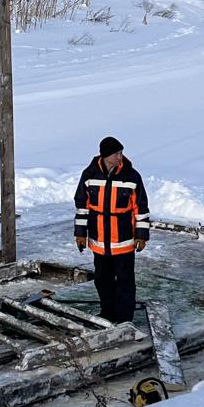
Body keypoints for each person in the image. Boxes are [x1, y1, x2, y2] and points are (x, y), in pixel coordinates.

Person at [72, 136, 150, 324]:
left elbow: (141, 208)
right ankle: (107, 313)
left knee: (125, 281)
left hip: (123, 242)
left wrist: (141, 235)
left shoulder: (132, 176)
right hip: (99, 242)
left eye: (121, 152)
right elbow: (82, 207)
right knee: (102, 280)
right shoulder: (89, 175)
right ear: (105, 155)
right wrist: (80, 234)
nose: (120, 157)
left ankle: (124, 319)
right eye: (117, 153)